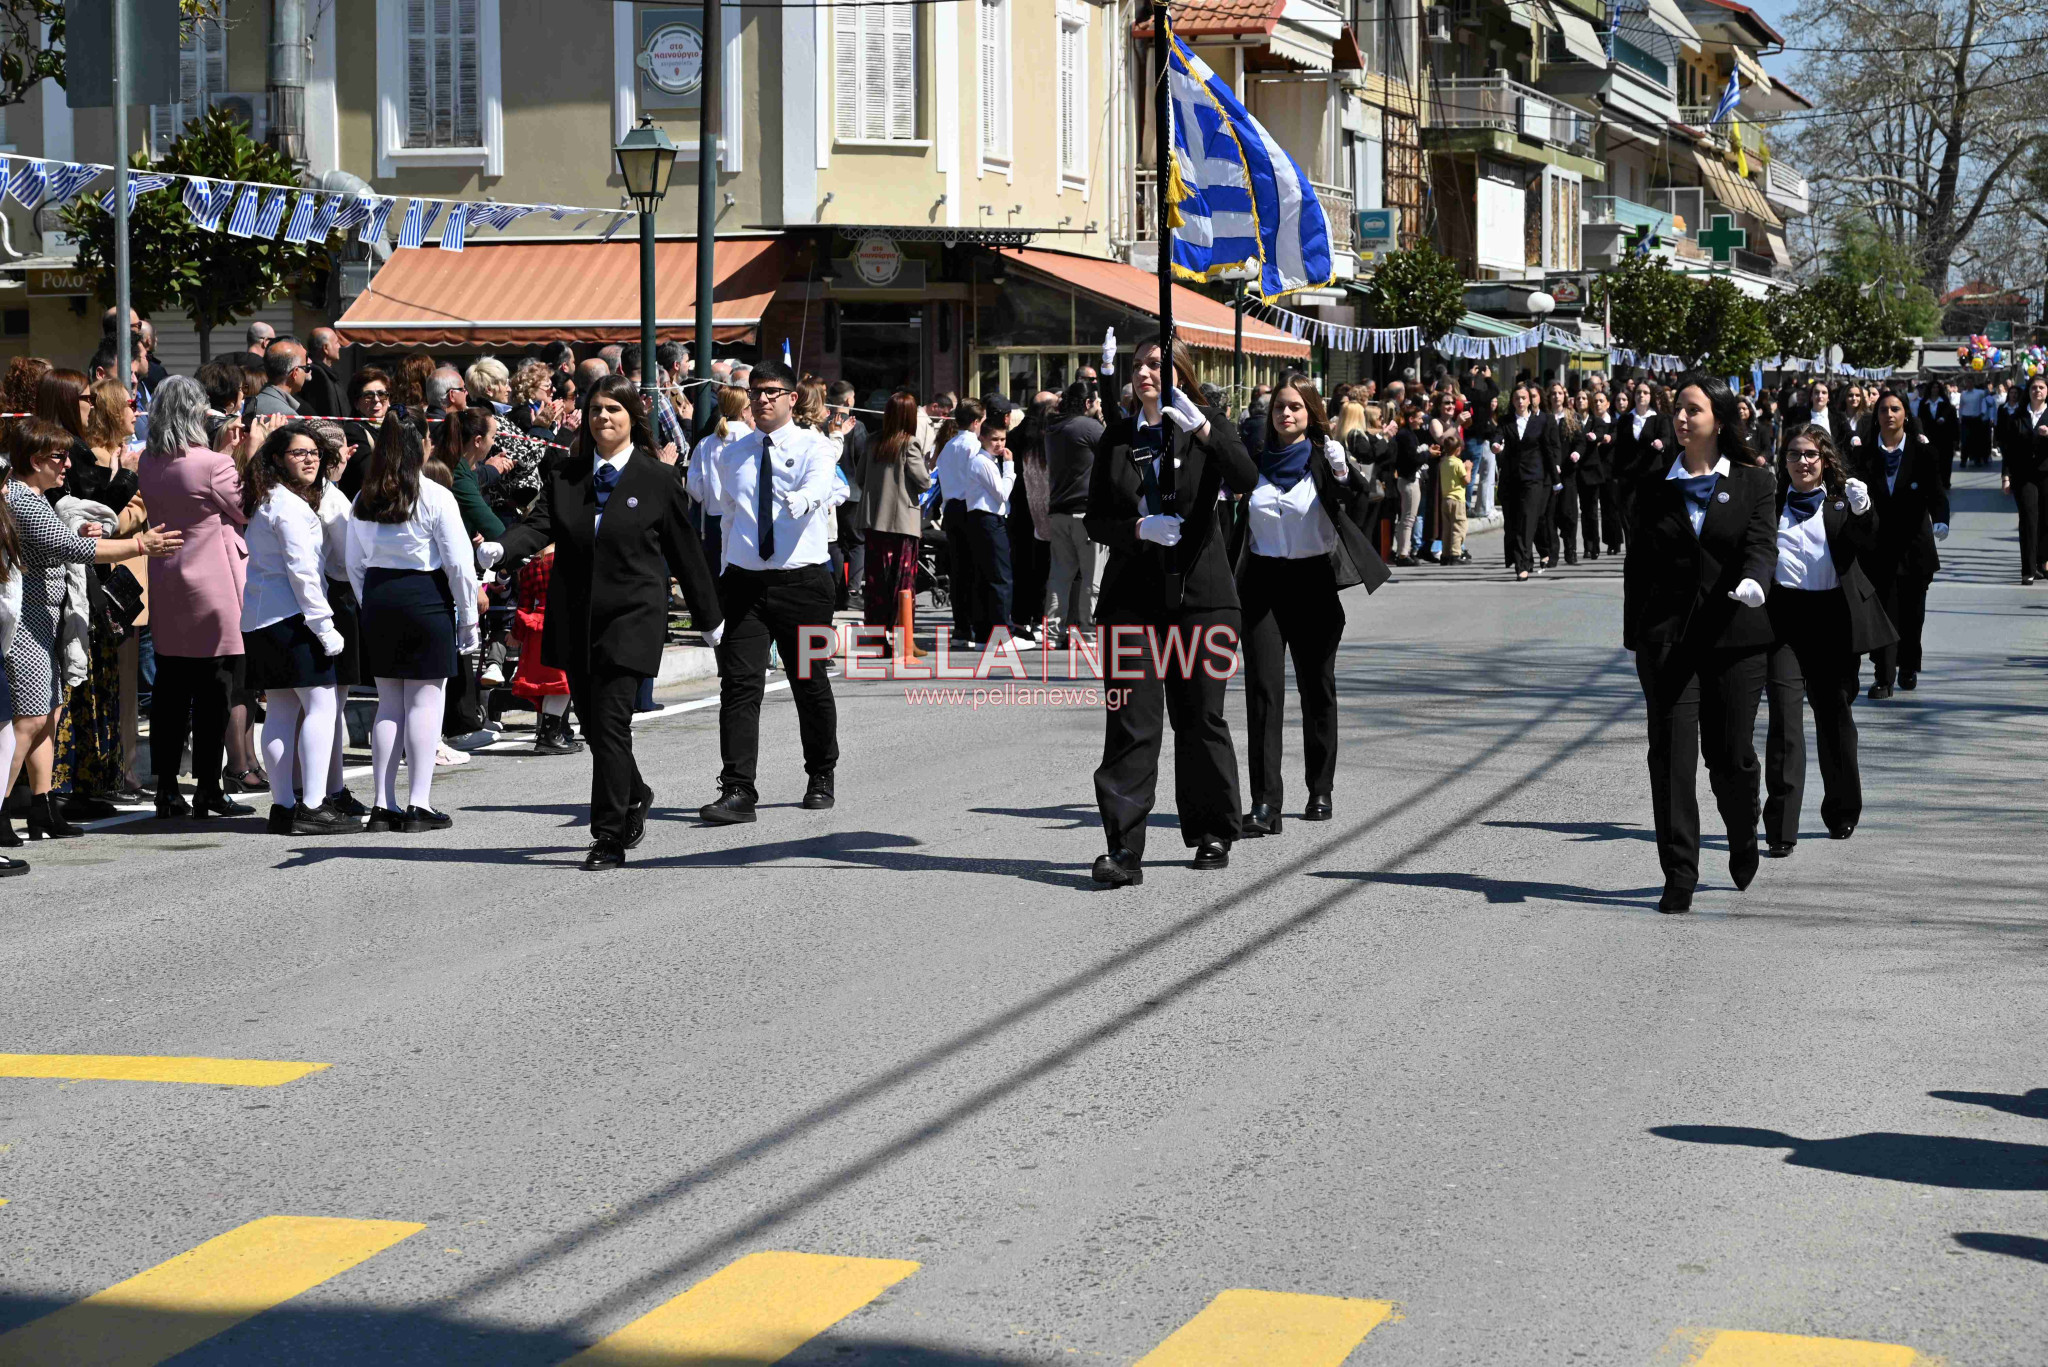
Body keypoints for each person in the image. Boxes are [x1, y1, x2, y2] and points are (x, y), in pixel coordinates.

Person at [481, 375, 724, 868]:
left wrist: (710, 619)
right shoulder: (567, 475)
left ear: (633, 415)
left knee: (612, 723)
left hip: (632, 616)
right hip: (575, 615)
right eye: (595, 410)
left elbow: (686, 553)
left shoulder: (657, 479)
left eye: (613, 408)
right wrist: (502, 547)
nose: (603, 418)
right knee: (594, 727)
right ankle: (634, 790)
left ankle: (608, 836)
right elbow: (540, 525)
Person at [1085, 335, 1257, 885]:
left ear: (1180, 371)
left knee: (1200, 717)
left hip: (1201, 598)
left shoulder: (1206, 426)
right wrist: (1138, 528)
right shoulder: (1117, 435)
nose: (1145, 374)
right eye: (1138, 365)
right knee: (1131, 724)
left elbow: (1248, 480)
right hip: (1131, 599)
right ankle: (1123, 849)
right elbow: (1094, 519)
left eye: (1157, 365)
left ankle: (1212, 829)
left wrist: (1202, 429)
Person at [1622, 373, 1778, 914]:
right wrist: (1634, 634)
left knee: (1730, 756)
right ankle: (1680, 873)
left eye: (1692, 410)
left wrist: (1757, 579)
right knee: (1670, 758)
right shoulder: (1653, 481)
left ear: (1719, 419)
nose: (1681, 419)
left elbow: (1761, 542)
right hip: (1666, 640)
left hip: (1735, 636)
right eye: (1677, 410)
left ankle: (1742, 831)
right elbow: (1637, 564)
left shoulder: (1755, 481)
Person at [5, 420, 180, 840]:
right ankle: (4, 806)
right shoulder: (21, 499)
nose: (68, 465)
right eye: (59, 457)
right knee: (28, 721)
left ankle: (44, 807)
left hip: (43, 620)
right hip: (25, 626)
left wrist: (76, 530)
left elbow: (58, 540)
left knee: (49, 715)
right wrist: (140, 545)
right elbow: (69, 549)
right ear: (35, 460)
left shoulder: (33, 495)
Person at [1235, 375, 1386, 838]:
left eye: (1296, 407)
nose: (1286, 414)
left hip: (1313, 581)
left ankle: (1320, 788)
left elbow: (1359, 501)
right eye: (1280, 406)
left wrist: (1342, 472)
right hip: (1262, 584)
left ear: (1311, 413)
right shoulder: (1253, 463)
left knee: (1316, 688)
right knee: (1263, 691)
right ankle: (1265, 803)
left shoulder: (1324, 459)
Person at [691, 362, 838, 826]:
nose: (762, 400)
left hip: (804, 584)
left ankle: (820, 773)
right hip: (745, 583)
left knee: (808, 681)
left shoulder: (818, 446)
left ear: (793, 398)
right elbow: (727, 517)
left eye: (772, 392)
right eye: (755, 393)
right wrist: (720, 583)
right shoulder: (733, 454)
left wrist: (802, 499)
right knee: (738, 686)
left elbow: (819, 488)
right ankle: (737, 789)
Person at [1761, 425, 1893, 858]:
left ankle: (1842, 810)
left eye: (1812, 455)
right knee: (1784, 720)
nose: (1803, 462)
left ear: (1825, 461)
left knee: (1835, 721)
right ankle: (1781, 826)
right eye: (1795, 454)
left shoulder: (1839, 504)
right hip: (1784, 624)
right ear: (1785, 462)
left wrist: (1864, 509)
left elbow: (1867, 542)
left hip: (1832, 622)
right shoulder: (1770, 507)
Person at [346, 413, 481, 834]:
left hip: (380, 595)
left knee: (389, 704)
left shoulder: (363, 497)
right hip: (424, 596)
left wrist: (372, 600)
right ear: (422, 443)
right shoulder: (435, 496)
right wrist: (469, 616)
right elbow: (459, 564)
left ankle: (382, 804)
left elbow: (354, 562)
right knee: (425, 701)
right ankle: (417, 803)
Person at [137, 378, 256, 819]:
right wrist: (245, 451)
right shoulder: (212, 464)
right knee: (215, 690)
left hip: (168, 580)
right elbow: (246, 507)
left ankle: (167, 789)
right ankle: (207, 787)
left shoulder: (148, 461)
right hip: (213, 585)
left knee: (170, 690)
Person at [239, 422, 357, 835]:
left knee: (283, 709)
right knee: (321, 706)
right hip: (292, 619)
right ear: (277, 459)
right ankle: (312, 804)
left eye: (314, 453)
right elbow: (303, 572)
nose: (310, 460)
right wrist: (324, 627)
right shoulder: (288, 506)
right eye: (299, 453)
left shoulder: (269, 500)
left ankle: (284, 806)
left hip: (262, 619)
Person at [1853, 390, 1947, 698]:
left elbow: (1936, 493)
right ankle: (1884, 676)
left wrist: (1941, 519)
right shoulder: (1864, 454)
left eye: (1895, 409)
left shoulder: (1923, 453)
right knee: (1883, 614)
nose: (1889, 414)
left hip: (1916, 548)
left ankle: (1908, 666)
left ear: (1905, 413)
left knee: (1912, 615)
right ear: (1876, 415)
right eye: (1883, 410)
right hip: (1878, 549)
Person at [306, 421, 369, 816]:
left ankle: (313, 784)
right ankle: (331, 788)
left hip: (308, 600)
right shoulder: (333, 501)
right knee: (331, 701)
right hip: (336, 598)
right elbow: (348, 563)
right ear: (341, 454)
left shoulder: (296, 496)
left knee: (311, 704)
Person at [858, 391, 930, 636]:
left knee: (877, 579)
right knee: (903, 580)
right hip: (902, 522)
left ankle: (878, 632)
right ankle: (903, 635)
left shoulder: (872, 440)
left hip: (873, 519)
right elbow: (923, 481)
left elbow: (860, 478)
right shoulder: (909, 443)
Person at [507, 544, 581, 756]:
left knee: (552, 685)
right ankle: (551, 736)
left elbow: (524, 604)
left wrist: (517, 634)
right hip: (563, 625)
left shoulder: (532, 565)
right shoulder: (568, 558)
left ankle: (551, 734)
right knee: (562, 684)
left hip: (537, 629)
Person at [1043, 381, 1102, 641]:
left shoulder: (1053, 429)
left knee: (1059, 575)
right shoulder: (1089, 427)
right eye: (1096, 401)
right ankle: (1088, 633)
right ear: (1088, 403)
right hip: (1086, 512)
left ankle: (1052, 633)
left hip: (1059, 511)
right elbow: (1113, 455)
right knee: (1092, 577)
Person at [931, 399, 986, 645]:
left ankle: (961, 627)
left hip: (951, 508)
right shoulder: (973, 446)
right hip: (969, 507)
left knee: (958, 570)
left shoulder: (949, 446)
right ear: (976, 422)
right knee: (974, 569)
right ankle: (974, 623)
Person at [961, 407, 1018, 644]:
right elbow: (1002, 493)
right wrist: (1010, 467)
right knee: (1000, 577)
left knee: (987, 577)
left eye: (1002, 439)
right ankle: (1002, 632)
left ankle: (986, 631)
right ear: (982, 437)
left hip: (984, 520)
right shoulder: (983, 462)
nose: (999, 443)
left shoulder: (986, 461)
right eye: (994, 439)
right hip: (988, 520)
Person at [1497, 383, 1561, 582]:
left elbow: (1549, 451)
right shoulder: (1506, 421)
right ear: (1513, 401)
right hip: (1512, 478)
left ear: (1530, 400)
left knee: (1529, 519)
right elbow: (1497, 436)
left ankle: (1523, 565)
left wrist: (1556, 480)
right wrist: (1496, 445)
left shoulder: (1541, 421)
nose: (1520, 401)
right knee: (1515, 522)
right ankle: (1522, 561)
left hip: (1534, 478)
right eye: (1517, 398)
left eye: (1524, 398)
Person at [1998, 374, 2048, 584]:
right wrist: (2006, 477)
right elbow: (2008, 450)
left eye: (2041, 387)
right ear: (2028, 391)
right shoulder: (2018, 416)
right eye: (2034, 387)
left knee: (2045, 519)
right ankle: (2027, 569)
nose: (2037, 391)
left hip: (2046, 474)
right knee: (2028, 518)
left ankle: (2042, 562)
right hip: (2024, 475)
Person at [1575, 387, 1617, 559]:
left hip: (1599, 471)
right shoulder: (1576, 420)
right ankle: (1588, 545)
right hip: (1582, 471)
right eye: (1578, 398)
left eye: (1584, 398)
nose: (1581, 401)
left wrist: (1599, 438)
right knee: (1586, 511)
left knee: (1600, 510)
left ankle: (1603, 544)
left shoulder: (1600, 422)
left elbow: (1601, 435)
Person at [339, 368, 392, 497]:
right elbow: (368, 474)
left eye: (382, 394)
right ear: (356, 403)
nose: (376, 399)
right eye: (368, 395)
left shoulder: (395, 427)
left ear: (389, 400)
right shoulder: (353, 431)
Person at [1436, 430, 1471, 566]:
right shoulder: (1457, 463)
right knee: (1458, 526)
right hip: (1457, 499)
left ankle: (1445, 554)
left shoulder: (1443, 462)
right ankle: (1455, 553)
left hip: (1445, 498)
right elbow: (1466, 480)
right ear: (1458, 450)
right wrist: (1468, 468)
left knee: (1447, 527)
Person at [247, 340, 308, 417]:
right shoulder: (286, 416)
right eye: (306, 367)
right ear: (295, 373)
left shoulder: (250, 404)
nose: (306, 373)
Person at [302, 328, 345, 419]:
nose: (339, 346)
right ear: (326, 348)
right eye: (336, 342)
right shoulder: (315, 374)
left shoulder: (328, 374)